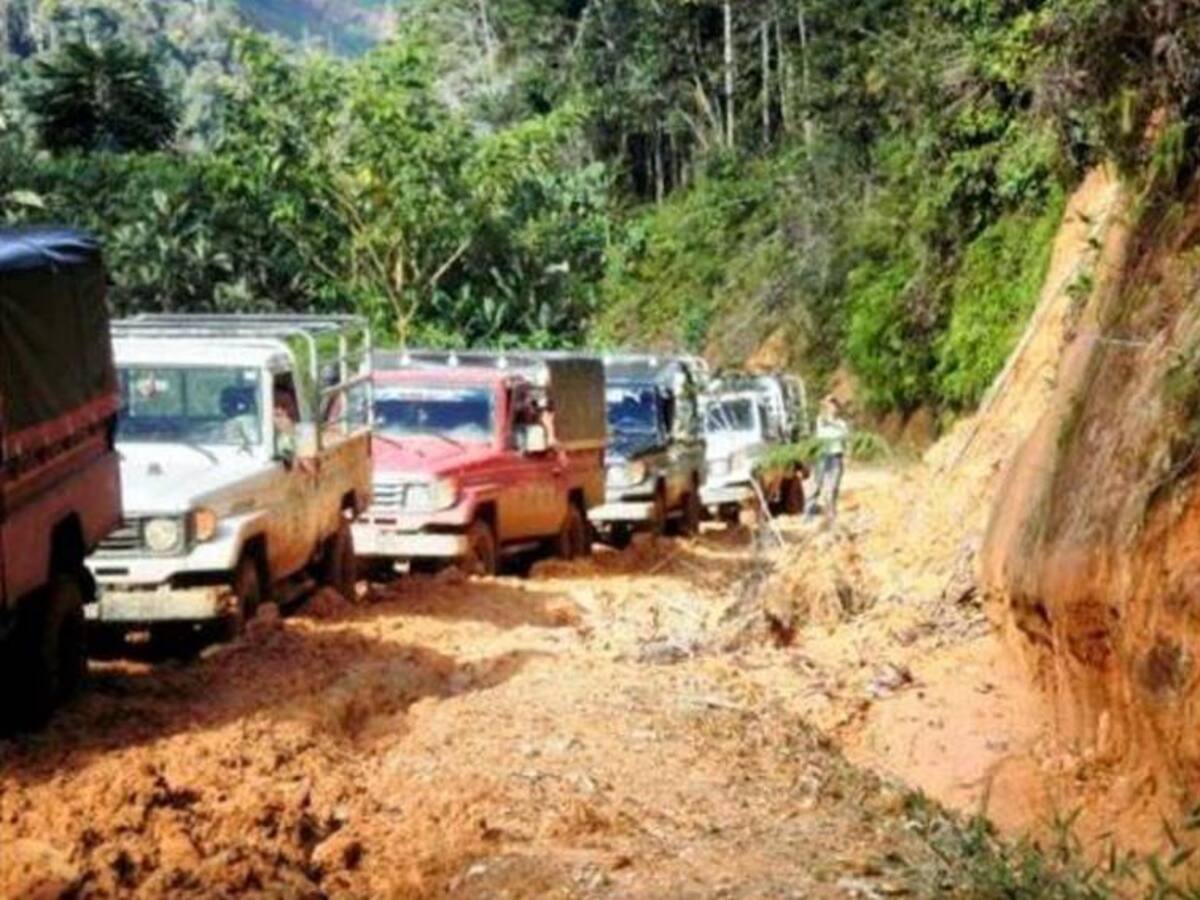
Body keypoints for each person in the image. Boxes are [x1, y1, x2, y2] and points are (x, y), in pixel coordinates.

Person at [807, 397, 850, 523]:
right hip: (822, 456)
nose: (833, 409)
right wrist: (826, 401)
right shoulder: (821, 420)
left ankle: (831, 513)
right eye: (830, 406)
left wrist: (847, 455)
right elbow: (822, 423)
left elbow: (846, 437)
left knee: (833, 487)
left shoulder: (842, 424)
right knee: (816, 484)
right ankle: (809, 511)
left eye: (835, 406)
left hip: (836, 456)